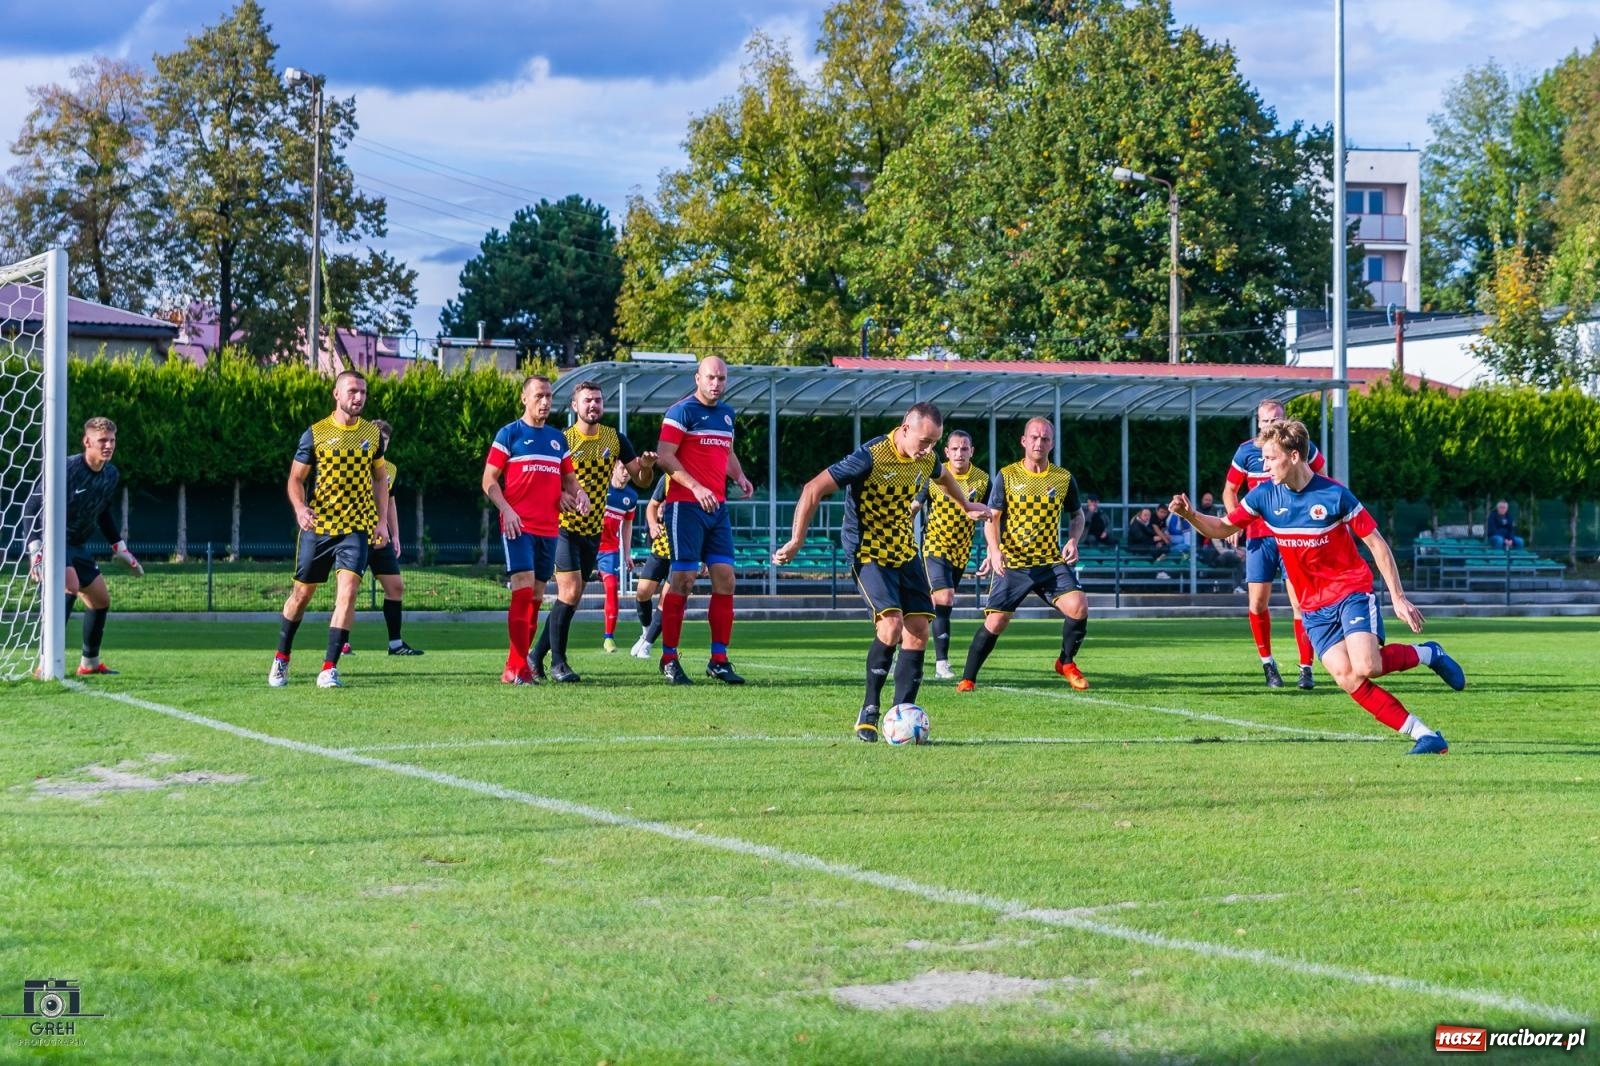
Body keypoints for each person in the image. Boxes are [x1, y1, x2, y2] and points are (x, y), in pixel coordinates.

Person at [1170, 419, 1462, 755]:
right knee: (1347, 676)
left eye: (1270, 458)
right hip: (1312, 606)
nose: (1263, 467)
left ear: (1294, 456)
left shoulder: (1334, 494)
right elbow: (1222, 527)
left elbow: (1377, 543)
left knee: (1368, 666)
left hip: (1350, 590)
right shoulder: (1264, 495)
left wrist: (1398, 598)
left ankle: (1429, 653)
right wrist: (1190, 515)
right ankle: (1426, 736)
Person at [775, 404, 990, 741]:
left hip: (904, 550)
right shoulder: (870, 456)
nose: (929, 449)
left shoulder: (925, 458)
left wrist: (966, 505)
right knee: (891, 625)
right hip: (867, 550)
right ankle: (870, 709)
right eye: (924, 441)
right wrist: (796, 540)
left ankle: (901, 716)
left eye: (934, 442)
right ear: (905, 428)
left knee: (918, 628)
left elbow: (943, 475)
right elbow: (812, 488)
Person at [269, 371, 388, 689]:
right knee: (301, 595)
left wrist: (381, 521)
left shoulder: (372, 435)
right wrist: (299, 509)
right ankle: (282, 658)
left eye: (363, 392)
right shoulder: (316, 434)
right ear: (336, 394)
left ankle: (329, 667)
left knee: (348, 593)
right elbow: (296, 479)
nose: (359, 397)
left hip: (356, 528)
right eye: (352, 391)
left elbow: (380, 478)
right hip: (319, 527)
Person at [530, 380, 654, 682]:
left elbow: (641, 480)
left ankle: (535, 657)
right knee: (569, 592)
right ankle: (558, 664)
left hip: (593, 532)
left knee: (571, 599)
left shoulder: (615, 439)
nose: (593, 405)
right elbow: (545, 482)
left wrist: (648, 466)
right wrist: (562, 496)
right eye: (587, 401)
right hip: (564, 528)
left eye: (598, 400)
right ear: (575, 406)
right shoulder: (562, 440)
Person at [956, 417, 1091, 692]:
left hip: (1049, 562)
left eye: (1045, 438)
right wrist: (994, 551)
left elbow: (1077, 515)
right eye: (1034, 437)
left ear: (1051, 443)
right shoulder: (1007, 475)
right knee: (996, 621)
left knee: (1079, 606)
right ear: (1024, 441)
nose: (1039, 442)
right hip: (1013, 564)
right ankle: (968, 678)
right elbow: (992, 518)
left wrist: (1073, 540)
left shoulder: (1063, 478)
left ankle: (1066, 662)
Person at [653, 356, 754, 686]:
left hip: (717, 508)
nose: (716, 383)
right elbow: (665, 456)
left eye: (722, 378)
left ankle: (719, 659)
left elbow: (727, 452)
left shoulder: (726, 414)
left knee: (726, 580)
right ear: (698, 378)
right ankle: (669, 658)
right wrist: (695, 487)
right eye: (711, 377)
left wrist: (739, 476)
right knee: (682, 581)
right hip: (685, 506)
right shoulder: (681, 412)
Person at [481, 375, 585, 685]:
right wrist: (507, 511)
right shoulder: (509, 434)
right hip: (518, 526)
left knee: (537, 595)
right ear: (525, 398)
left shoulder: (558, 439)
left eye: (549, 396)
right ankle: (520, 667)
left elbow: (569, 482)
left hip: (549, 528)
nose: (545, 402)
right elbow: (488, 481)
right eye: (539, 395)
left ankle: (514, 666)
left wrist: (578, 495)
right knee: (523, 588)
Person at [22, 415, 145, 676]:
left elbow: (102, 512)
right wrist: (36, 551)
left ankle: (89, 664)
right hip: (53, 540)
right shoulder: (65, 469)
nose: (108, 445)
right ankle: (46, 663)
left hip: (77, 544)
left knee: (100, 599)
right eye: (102, 440)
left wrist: (120, 548)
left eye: (112, 440)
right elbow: (31, 507)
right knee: (70, 585)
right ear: (86, 441)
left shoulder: (111, 474)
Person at [1225, 398, 1323, 691]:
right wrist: (1234, 521)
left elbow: (1319, 478)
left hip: (1292, 535)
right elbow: (1230, 490)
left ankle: (1306, 668)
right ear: (1258, 422)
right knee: (1257, 603)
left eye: (1276, 419)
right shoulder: (1246, 452)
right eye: (1266, 421)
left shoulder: (1302, 447)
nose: (1271, 425)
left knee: (1300, 603)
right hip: (1259, 537)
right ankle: (1268, 664)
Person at [917, 429, 990, 680]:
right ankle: (942, 664)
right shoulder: (934, 476)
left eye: (965, 448)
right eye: (955, 449)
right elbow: (915, 505)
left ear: (972, 451)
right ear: (946, 452)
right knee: (944, 599)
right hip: (934, 547)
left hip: (961, 552)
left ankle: (900, 647)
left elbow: (993, 516)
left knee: (927, 607)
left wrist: (993, 549)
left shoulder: (982, 480)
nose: (960, 453)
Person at [347, 419, 424, 657]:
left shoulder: (389, 468)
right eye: (378, 439)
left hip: (380, 537)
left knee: (395, 587)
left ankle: (395, 644)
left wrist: (395, 534)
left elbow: (390, 501)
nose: (382, 444)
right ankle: (342, 643)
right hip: (355, 533)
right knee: (348, 590)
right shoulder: (353, 461)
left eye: (385, 441)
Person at [628, 474, 674, 658]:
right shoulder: (667, 478)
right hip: (660, 548)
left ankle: (647, 644)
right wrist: (653, 524)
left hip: (681, 552)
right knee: (642, 591)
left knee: (666, 599)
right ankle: (646, 632)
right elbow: (652, 505)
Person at [597, 462, 639, 653]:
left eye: (628, 471)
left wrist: (627, 553)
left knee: (612, 588)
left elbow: (627, 526)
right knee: (571, 593)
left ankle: (608, 638)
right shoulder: (598, 485)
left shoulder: (631, 497)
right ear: (613, 467)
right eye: (622, 468)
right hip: (587, 545)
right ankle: (552, 638)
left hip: (609, 549)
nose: (625, 473)